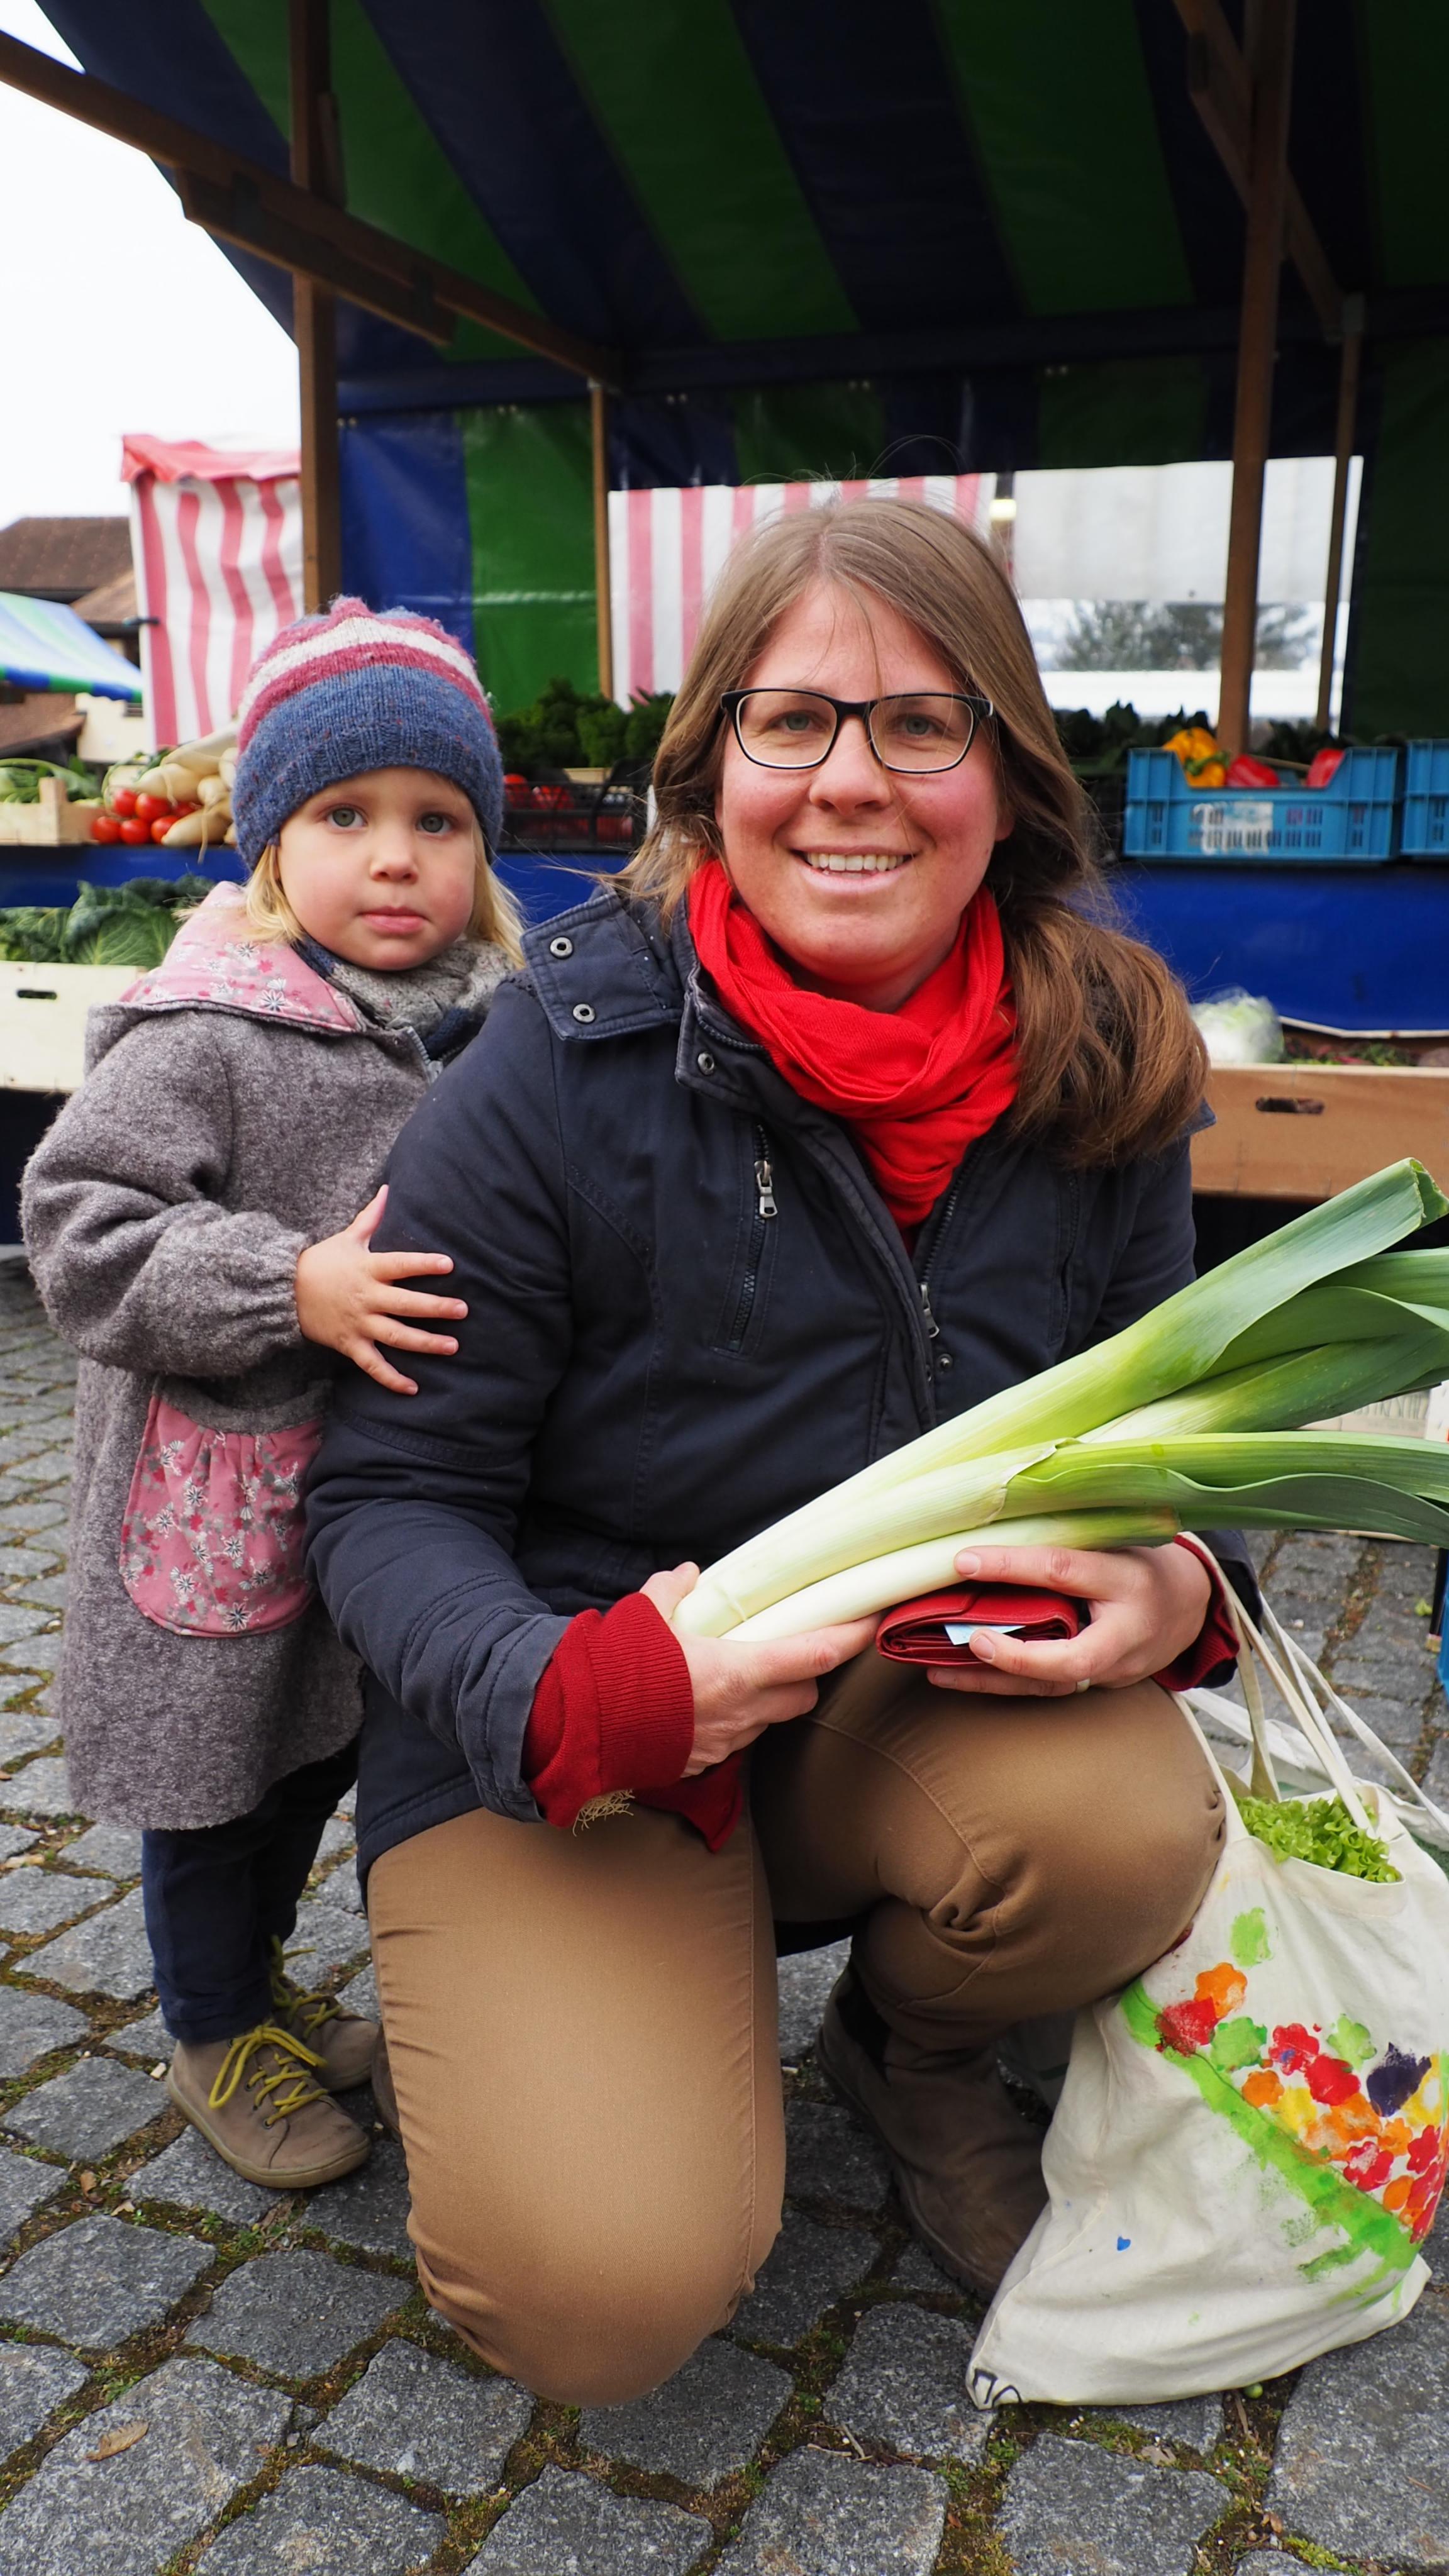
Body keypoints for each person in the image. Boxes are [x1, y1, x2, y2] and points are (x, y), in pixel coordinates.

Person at [306, 499, 1249, 2404]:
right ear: (711, 767)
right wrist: (572, 1687)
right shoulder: (554, 1068)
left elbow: (1164, 1446)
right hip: (580, 1731)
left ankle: (907, 2049)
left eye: (925, 723)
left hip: (902, 1701)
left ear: (1009, 773)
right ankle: (588, 1989)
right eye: (793, 720)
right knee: (600, 2290)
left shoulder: (1107, 1060)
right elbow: (386, 1498)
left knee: (1129, 1830)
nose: (852, 782)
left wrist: (1180, 1585)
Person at [23, 599, 518, 2192]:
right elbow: (81, 1227)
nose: (396, 858)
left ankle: (260, 1983)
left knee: (312, 1763)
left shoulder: (487, 1028)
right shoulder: (209, 1031)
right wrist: (285, 1284)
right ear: (271, 844)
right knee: (213, 1788)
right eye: (345, 816)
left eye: (437, 820)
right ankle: (211, 2028)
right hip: (220, 1507)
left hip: (379, 1508)